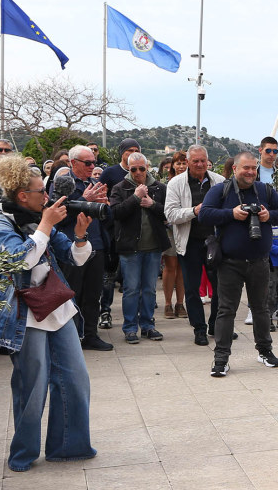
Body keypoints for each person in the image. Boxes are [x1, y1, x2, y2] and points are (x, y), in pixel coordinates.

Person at [0, 154, 96, 471]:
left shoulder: (38, 219)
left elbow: (75, 258)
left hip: (57, 310)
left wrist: (79, 235)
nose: (47, 198)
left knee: (76, 379)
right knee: (32, 388)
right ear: (23, 196)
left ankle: (69, 447)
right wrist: (47, 224)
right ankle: (23, 454)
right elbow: (19, 261)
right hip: (24, 317)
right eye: (41, 192)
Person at [198, 151, 278, 376]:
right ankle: (221, 358)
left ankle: (265, 351)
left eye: (253, 168)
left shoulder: (265, 190)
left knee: (261, 309)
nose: (250, 172)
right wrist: (231, 214)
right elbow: (204, 215)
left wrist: (269, 216)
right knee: (226, 310)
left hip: (259, 261)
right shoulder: (221, 190)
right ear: (235, 169)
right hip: (230, 262)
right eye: (245, 168)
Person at [165, 145, 225, 346]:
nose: (200, 164)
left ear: (208, 161)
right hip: (189, 242)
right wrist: (194, 211)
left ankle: (216, 325)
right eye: (195, 161)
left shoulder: (220, 181)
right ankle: (199, 329)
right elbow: (170, 215)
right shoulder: (175, 183)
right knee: (191, 289)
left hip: (215, 243)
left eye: (203, 161)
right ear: (188, 162)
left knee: (220, 287)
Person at [56, 145, 113, 351]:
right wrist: (84, 200)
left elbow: (107, 220)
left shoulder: (95, 183)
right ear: (73, 163)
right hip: (71, 248)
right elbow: (58, 217)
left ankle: (90, 335)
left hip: (96, 246)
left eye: (93, 162)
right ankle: (70, 339)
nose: (92, 166)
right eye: (87, 163)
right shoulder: (63, 184)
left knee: (92, 295)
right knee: (73, 295)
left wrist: (105, 206)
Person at [110, 153, 169, 344]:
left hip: (153, 247)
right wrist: (135, 198)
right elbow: (115, 213)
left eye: (141, 168)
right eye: (133, 169)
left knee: (150, 289)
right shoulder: (121, 187)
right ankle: (129, 328)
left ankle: (148, 325)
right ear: (128, 169)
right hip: (130, 248)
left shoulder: (159, 188)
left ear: (147, 168)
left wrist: (153, 205)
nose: (137, 172)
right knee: (131, 289)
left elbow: (169, 213)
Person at [160, 151, 188, 320]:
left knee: (182, 268)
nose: (181, 166)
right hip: (170, 229)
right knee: (170, 266)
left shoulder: (191, 183)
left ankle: (180, 303)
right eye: (178, 163)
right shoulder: (164, 184)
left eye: (184, 163)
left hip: (186, 227)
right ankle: (168, 303)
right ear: (172, 166)